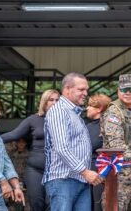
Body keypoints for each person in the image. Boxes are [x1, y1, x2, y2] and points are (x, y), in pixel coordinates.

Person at [43, 72, 102, 211]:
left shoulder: (75, 113)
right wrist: (85, 172)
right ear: (67, 89)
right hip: (63, 180)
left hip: (80, 180)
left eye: (86, 90)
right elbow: (61, 148)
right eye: (81, 90)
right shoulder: (59, 111)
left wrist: (84, 174)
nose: (85, 93)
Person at [2, 89, 60, 211]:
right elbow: (14, 134)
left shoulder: (64, 120)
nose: (55, 102)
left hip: (57, 170)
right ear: (44, 102)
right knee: (36, 204)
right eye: (51, 100)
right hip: (35, 169)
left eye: (57, 100)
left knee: (52, 205)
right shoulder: (34, 119)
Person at [100, 74, 131, 211]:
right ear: (118, 91)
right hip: (120, 177)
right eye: (124, 89)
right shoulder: (114, 112)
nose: (128, 92)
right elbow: (116, 143)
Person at [85, 94, 111, 211]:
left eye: (90, 105)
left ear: (99, 108)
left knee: (98, 206)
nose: (87, 108)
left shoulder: (108, 127)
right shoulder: (86, 126)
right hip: (84, 173)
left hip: (100, 174)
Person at [7, 139, 29, 211]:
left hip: (25, 179)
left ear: (25, 143)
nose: (21, 144)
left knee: (25, 200)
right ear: (16, 143)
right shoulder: (11, 154)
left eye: (23, 142)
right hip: (12, 178)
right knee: (11, 199)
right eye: (19, 142)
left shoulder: (29, 154)